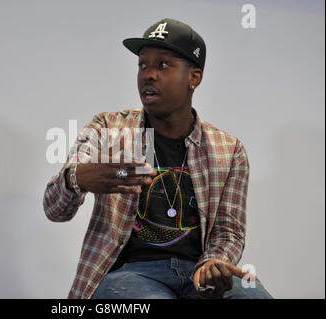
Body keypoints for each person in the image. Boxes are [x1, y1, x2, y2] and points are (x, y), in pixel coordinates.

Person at [43, 18, 273, 299]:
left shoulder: (228, 150)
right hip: (129, 273)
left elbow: (229, 231)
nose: (148, 75)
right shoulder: (108, 129)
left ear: (194, 77)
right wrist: (76, 177)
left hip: (197, 273)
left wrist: (214, 263)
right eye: (142, 65)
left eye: (163, 65)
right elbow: (55, 210)